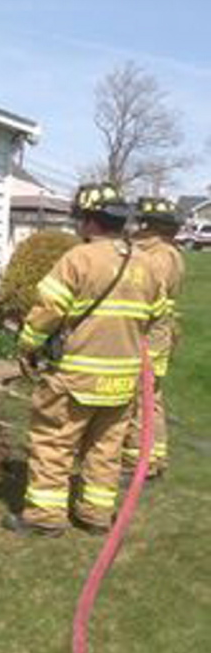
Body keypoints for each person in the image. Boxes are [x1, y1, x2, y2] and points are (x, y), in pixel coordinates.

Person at [4, 183, 166, 536]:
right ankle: (95, 516)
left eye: (81, 219)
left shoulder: (79, 259)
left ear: (91, 221)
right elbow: (157, 316)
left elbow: (48, 311)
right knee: (104, 449)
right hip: (123, 381)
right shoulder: (147, 264)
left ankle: (45, 519)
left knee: (54, 443)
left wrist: (28, 344)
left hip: (76, 377)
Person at [122, 196, 185, 478]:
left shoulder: (158, 256)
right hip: (158, 334)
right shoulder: (168, 253)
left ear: (151, 225)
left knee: (139, 399)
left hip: (149, 336)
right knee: (151, 399)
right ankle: (154, 456)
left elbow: (145, 292)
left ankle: (139, 462)